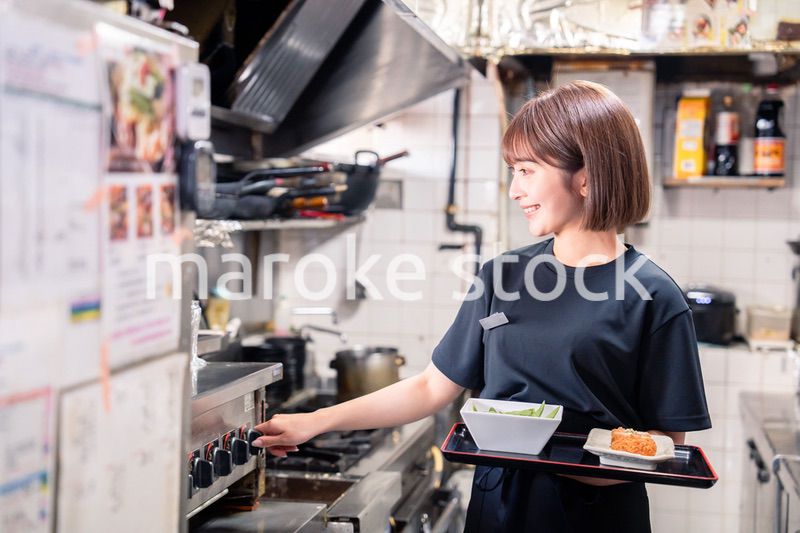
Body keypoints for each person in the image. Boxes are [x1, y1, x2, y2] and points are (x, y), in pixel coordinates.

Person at [252, 81, 711, 532]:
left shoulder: (654, 296)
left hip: (593, 517)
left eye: (527, 170)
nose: (514, 190)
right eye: (513, 171)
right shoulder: (503, 276)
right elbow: (431, 387)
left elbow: (665, 443)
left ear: (587, 176)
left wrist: (554, 458)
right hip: (497, 510)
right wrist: (316, 422)